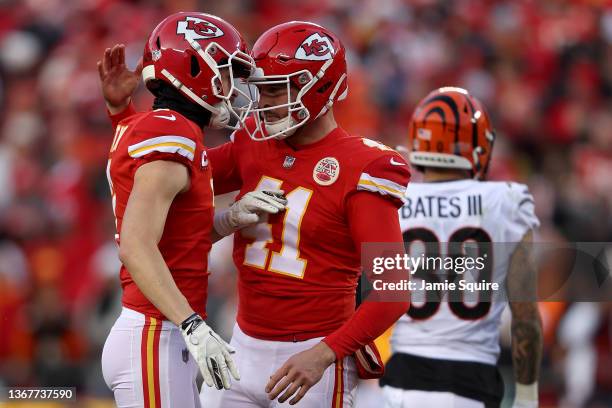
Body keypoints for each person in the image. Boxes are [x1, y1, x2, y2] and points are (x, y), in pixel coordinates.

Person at [102, 21, 411, 407]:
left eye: (278, 89)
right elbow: (164, 181)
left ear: (320, 86)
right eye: (262, 90)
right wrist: (124, 116)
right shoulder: (252, 140)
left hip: (310, 359)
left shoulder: (366, 166)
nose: (265, 102)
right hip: (238, 351)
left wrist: (325, 354)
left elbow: (393, 292)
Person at [98, 12, 287, 408]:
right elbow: (135, 245)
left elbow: (175, 237)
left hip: (158, 331)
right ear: (196, 65)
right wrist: (191, 324)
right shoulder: (171, 132)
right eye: (227, 71)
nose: (232, 88)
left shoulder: (154, 126)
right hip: (157, 332)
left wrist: (228, 219)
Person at [380, 87, 542, 408]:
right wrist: (527, 396)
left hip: (398, 379)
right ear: (476, 146)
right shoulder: (506, 203)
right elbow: (525, 318)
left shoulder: (393, 197)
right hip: (467, 381)